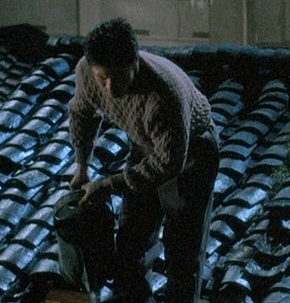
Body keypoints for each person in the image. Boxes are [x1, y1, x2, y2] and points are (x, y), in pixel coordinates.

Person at [68, 17, 220, 303]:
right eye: (103, 78)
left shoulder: (163, 96)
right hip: (144, 145)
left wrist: (109, 184)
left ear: (135, 61)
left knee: (181, 248)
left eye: (118, 76)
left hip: (191, 154)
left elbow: (168, 163)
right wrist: (82, 166)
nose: (110, 88)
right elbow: (81, 113)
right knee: (130, 237)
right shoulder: (86, 72)